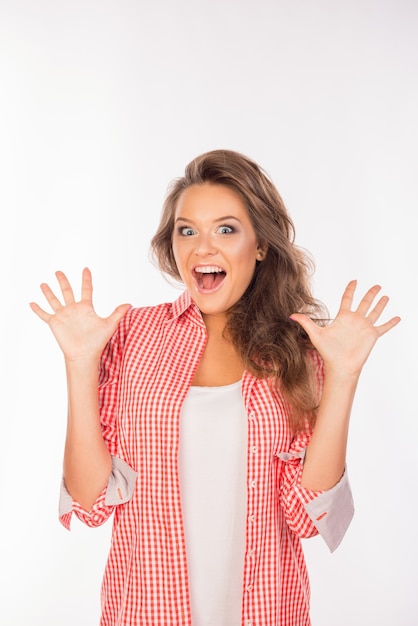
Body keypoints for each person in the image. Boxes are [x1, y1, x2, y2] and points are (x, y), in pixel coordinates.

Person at [30, 149, 400, 626]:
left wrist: (344, 375)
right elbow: (90, 500)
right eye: (188, 231)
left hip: (267, 612)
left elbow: (308, 518)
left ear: (261, 245)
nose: (203, 248)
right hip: (145, 611)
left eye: (226, 229)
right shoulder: (132, 336)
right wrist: (80, 365)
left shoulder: (299, 350)